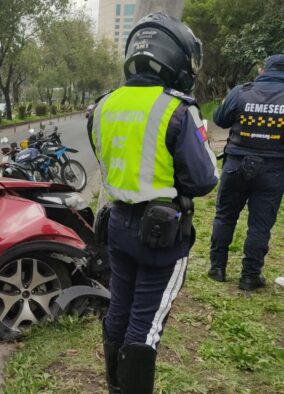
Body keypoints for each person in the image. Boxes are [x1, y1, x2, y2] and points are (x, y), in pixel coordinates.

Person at [88, 13, 218, 393]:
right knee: (147, 322)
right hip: (161, 234)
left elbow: (107, 160)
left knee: (119, 310)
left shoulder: (104, 106)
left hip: (117, 224)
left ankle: (115, 387)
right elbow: (204, 179)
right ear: (175, 57)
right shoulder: (177, 108)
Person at [208, 54, 284, 291]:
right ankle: (250, 276)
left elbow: (220, 119)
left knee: (225, 216)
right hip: (273, 169)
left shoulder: (242, 91)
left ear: (263, 70)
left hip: (236, 164)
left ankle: (217, 268)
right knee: (260, 225)